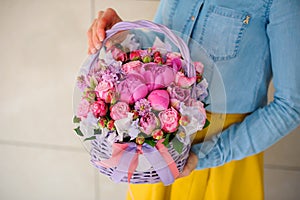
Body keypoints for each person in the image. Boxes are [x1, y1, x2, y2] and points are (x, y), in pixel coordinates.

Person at [87, 1, 300, 199]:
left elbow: (291, 105)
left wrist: (204, 155)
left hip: (221, 155)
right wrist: (122, 36)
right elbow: (162, 51)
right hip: (158, 145)